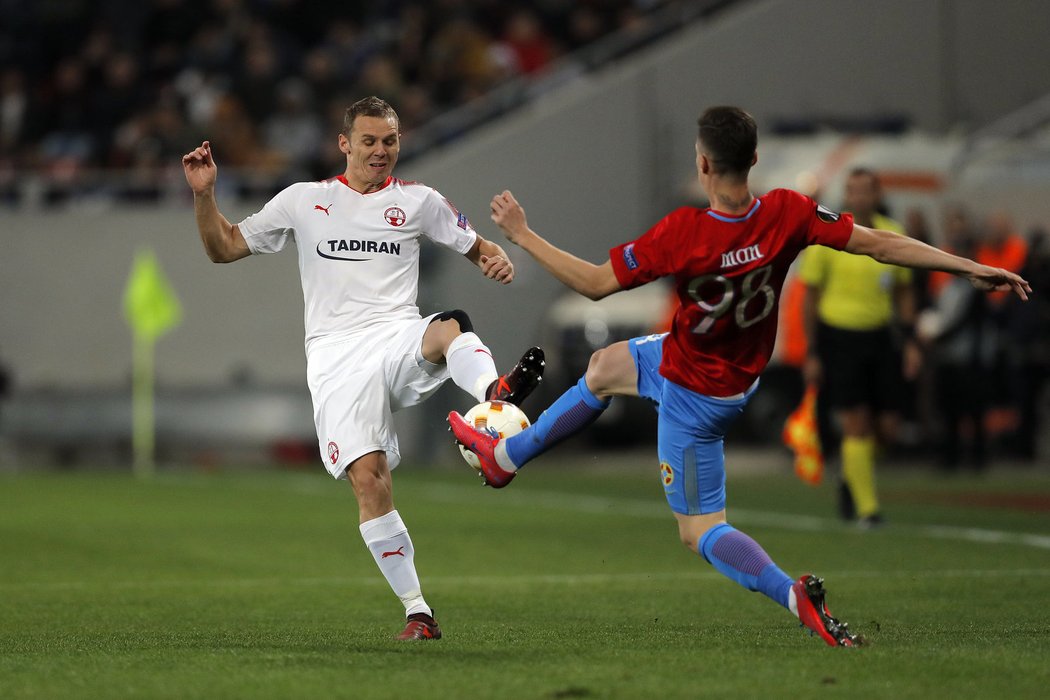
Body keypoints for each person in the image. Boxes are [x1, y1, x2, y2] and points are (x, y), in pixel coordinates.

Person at [448, 106, 1030, 647]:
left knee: (699, 529)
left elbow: (596, 284)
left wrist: (521, 234)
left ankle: (792, 594)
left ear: (702, 163)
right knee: (604, 367)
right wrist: (969, 265)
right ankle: (505, 460)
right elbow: (878, 243)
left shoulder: (682, 234)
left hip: (695, 391)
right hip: (717, 366)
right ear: (752, 160)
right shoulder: (787, 211)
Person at [182, 96, 545, 641]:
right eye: (370, 141)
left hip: (397, 336)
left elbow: (475, 245)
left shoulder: (419, 201)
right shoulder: (305, 201)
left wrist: (495, 257)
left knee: (449, 327)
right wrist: (206, 195)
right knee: (370, 481)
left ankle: (494, 394)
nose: (381, 152)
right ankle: (417, 611)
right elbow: (223, 247)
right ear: (344, 144)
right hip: (334, 356)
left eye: (391, 142)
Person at [799, 168, 920, 527]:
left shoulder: (893, 234)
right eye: (852, 191)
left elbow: (904, 290)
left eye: (865, 191)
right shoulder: (828, 236)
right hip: (840, 339)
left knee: (888, 429)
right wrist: (812, 351)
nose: (859, 197)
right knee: (856, 423)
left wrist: (911, 339)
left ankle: (853, 471)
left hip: (881, 338)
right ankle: (869, 512)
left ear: (877, 194)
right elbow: (810, 298)